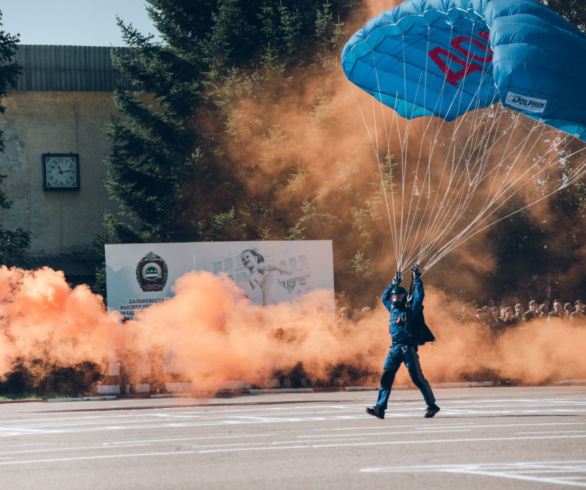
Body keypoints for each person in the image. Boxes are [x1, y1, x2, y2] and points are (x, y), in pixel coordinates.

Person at [366, 265, 439, 419]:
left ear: (404, 297)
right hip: (394, 348)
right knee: (386, 378)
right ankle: (380, 408)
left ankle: (432, 405)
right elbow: (383, 298)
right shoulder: (392, 309)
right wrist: (393, 284)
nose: (395, 299)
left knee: (417, 378)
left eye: (398, 296)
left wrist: (417, 279)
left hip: (407, 349)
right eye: (394, 297)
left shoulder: (411, 310)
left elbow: (419, 296)